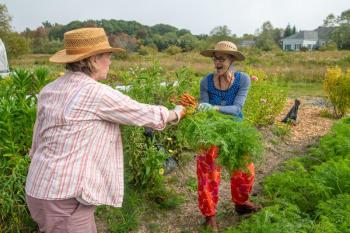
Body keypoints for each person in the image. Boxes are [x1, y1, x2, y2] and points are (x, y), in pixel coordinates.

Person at [25, 27, 185, 233]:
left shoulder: (50, 89)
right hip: (64, 196)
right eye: (107, 56)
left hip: (40, 187)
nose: (110, 62)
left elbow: (37, 139)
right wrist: (177, 113)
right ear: (92, 60)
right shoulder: (95, 93)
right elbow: (143, 113)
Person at [196, 41, 261, 232]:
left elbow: (237, 109)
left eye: (222, 59)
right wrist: (203, 109)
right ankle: (209, 216)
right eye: (215, 58)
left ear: (232, 60)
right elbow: (204, 111)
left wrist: (214, 107)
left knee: (244, 171)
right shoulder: (206, 82)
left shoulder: (243, 80)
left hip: (237, 132)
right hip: (212, 131)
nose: (217, 62)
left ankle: (241, 203)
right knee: (207, 174)